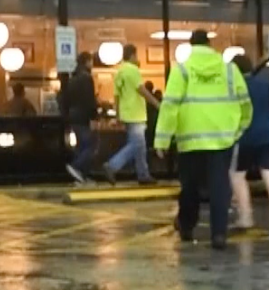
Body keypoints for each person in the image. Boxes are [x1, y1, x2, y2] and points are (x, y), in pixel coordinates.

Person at [154, 31, 253, 249]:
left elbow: (170, 105)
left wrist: (162, 140)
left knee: (190, 186)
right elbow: (245, 103)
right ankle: (219, 234)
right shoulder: (229, 69)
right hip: (221, 139)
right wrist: (237, 131)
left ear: (190, 46)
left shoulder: (182, 70)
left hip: (190, 139)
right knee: (219, 186)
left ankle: (187, 226)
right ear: (210, 44)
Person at [229, 53, 269, 235]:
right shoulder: (264, 84)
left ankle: (246, 217)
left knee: (237, 175)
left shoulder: (234, 87)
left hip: (246, 135)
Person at [103, 44, 158, 184]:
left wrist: (117, 115)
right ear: (133, 55)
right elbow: (141, 90)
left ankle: (143, 174)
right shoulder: (133, 70)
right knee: (136, 145)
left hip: (126, 113)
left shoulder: (119, 72)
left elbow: (116, 96)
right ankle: (112, 165)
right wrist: (156, 103)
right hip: (136, 113)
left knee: (140, 146)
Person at [62, 52, 98, 183]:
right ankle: (75, 167)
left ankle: (81, 177)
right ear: (87, 61)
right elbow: (90, 99)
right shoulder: (86, 78)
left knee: (81, 147)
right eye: (91, 61)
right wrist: (94, 117)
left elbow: (65, 99)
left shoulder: (72, 79)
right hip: (83, 116)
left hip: (73, 116)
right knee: (91, 146)